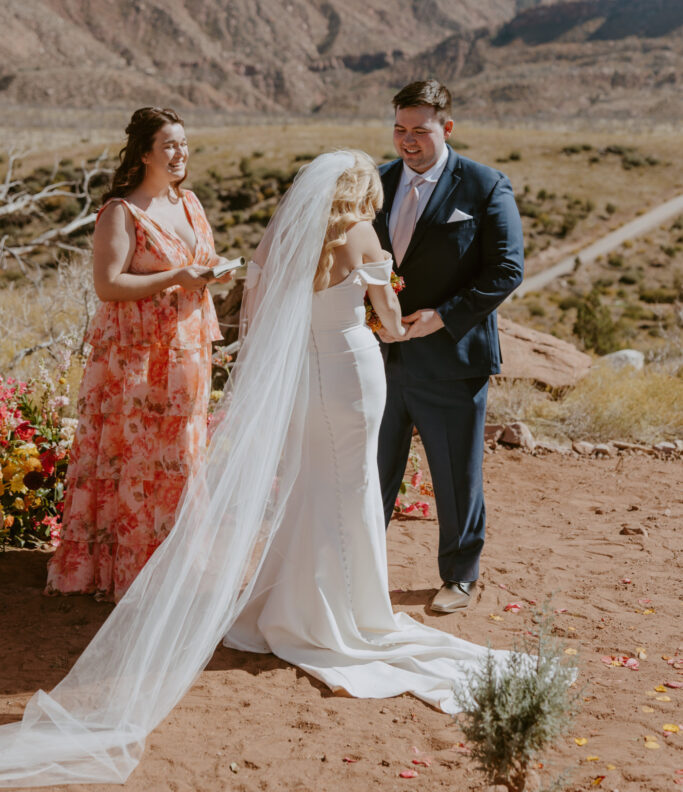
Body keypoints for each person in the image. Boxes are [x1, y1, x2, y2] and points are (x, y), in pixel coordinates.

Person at [0, 150, 514, 788]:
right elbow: (385, 319)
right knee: (350, 487)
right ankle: (350, 614)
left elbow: (261, 307)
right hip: (352, 373)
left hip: (301, 376)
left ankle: (289, 603)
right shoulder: (359, 235)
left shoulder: (286, 238)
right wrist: (404, 324)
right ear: (359, 191)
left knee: (311, 486)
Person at [46, 106, 232, 603]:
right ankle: (129, 572)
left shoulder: (189, 203)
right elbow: (109, 285)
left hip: (186, 349)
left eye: (184, 144)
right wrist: (175, 277)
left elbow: (199, 260)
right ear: (145, 151)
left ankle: (179, 567)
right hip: (135, 355)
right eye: (170, 145)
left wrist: (214, 270)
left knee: (182, 457)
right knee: (134, 458)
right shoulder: (120, 212)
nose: (180, 153)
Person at [375, 80, 524, 613]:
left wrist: (443, 318)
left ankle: (459, 576)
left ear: (447, 127)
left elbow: (507, 269)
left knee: (455, 473)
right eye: (399, 128)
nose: (407, 141)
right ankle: (363, 573)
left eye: (420, 130)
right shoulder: (376, 181)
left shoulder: (485, 186)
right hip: (380, 357)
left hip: (452, 359)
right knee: (372, 471)